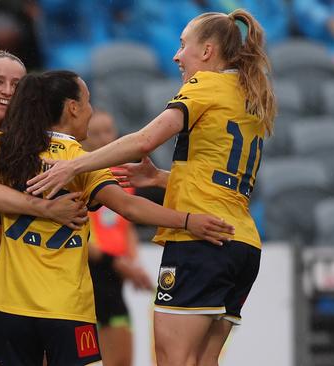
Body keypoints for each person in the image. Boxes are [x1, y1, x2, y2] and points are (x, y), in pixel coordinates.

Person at [0, 70, 234, 366]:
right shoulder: (80, 158)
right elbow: (130, 207)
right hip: (65, 308)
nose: (90, 111)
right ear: (72, 108)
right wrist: (187, 221)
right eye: (88, 103)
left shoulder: (8, 146)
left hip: (9, 308)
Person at [27, 9, 276, 366]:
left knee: (173, 360)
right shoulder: (247, 95)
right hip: (242, 243)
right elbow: (222, 179)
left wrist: (74, 165)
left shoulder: (205, 84)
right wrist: (159, 179)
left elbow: (144, 140)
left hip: (200, 242)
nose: (176, 56)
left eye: (182, 45)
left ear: (206, 52)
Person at [82, 110, 152, 366]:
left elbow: (125, 225)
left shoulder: (120, 175)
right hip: (91, 272)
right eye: (95, 133)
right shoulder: (80, 174)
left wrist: (132, 261)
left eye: (108, 131)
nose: (104, 139)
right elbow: (83, 235)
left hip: (114, 275)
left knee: (122, 359)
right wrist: (118, 263)